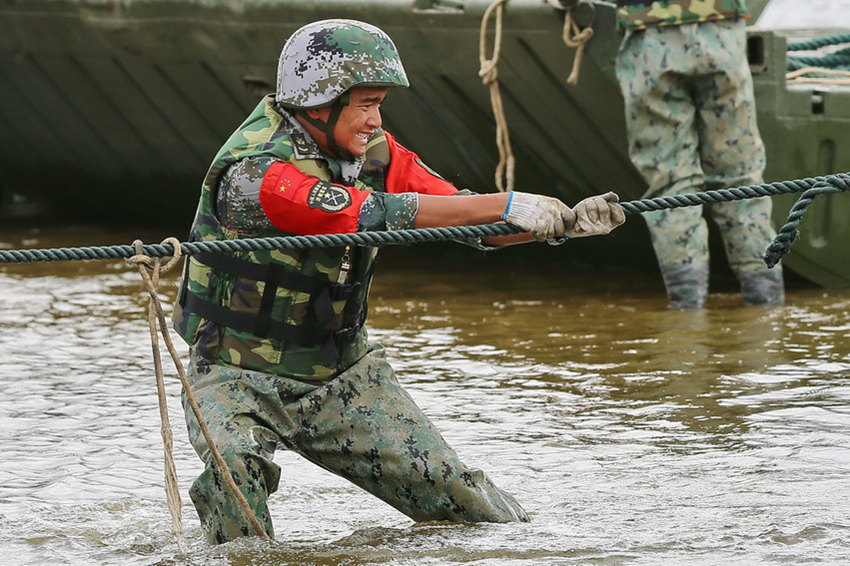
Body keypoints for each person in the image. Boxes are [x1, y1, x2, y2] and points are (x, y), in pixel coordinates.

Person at [172, 18, 625, 545]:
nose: (375, 119)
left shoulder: (376, 153)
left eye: (379, 104)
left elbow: (461, 218)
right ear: (320, 102)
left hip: (340, 374)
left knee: (474, 512)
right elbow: (365, 214)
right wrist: (507, 203)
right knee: (235, 495)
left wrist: (560, 225)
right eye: (365, 103)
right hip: (234, 375)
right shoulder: (254, 171)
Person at [614, 0, 784, 309]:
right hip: (721, 33)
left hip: (650, 36)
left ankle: (686, 319)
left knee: (671, 186)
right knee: (742, 182)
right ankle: (768, 309)